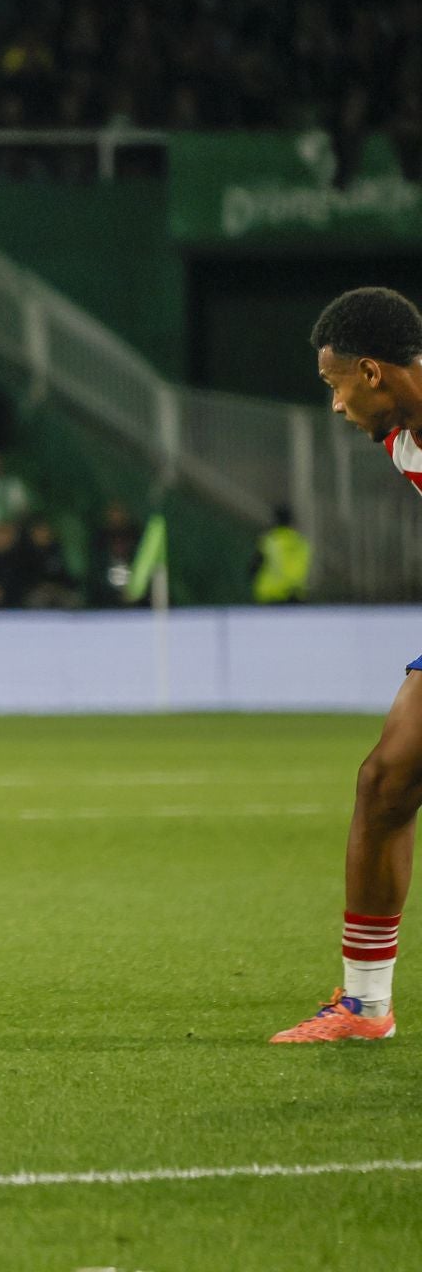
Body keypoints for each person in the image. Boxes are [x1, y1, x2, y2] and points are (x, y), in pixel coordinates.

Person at [273, 287, 422, 1042]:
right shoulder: (403, 439)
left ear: (370, 372)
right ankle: (364, 1007)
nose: (335, 406)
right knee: (386, 783)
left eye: (335, 386)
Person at [252, 505, 311, 604]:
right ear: (292, 521)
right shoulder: (301, 542)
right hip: (295, 595)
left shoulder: (270, 541)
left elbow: (254, 566)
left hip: (271, 595)